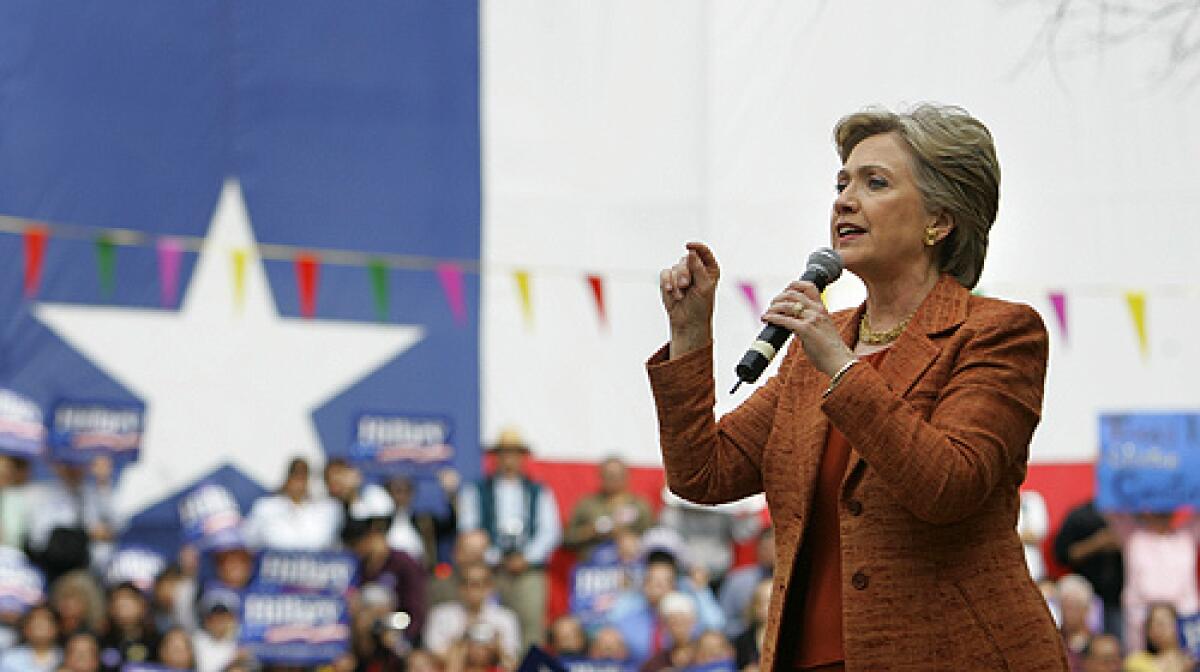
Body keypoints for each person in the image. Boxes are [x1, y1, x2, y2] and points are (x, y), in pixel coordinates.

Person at [649, 103, 1066, 670]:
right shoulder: (813, 349)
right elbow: (702, 472)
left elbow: (948, 485)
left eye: (875, 183)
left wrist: (843, 367)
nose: (844, 199)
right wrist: (690, 335)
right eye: (841, 182)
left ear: (938, 222)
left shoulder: (996, 332)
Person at [457, 427, 561, 651]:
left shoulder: (538, 491)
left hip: (528, 570)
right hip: (490, 569)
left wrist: (526, 557)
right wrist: (495, 556)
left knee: (531, 627)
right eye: (504, 453)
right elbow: (469, 529)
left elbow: (549, 531)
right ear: (496, 457)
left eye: (514, 454)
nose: (509, 459)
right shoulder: (477, 490)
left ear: (522, 457)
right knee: (488, 626)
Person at [1053, 498, 1124, 640]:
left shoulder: (1130, 515)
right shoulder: (1080, 516)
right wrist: (1097, 543)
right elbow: (1062, 554)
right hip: (1086, 597)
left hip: (1119, 600)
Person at [424, 562, 522, 662]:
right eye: (466, 583)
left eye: (477, 584)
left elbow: (511, 662)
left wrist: (496, 648)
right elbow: (434, 654)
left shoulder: (506, 618)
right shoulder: (441, 614)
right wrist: (464, 643)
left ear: (490, 587)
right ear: (459, 587)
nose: (472, 590)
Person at [563, 457, 654, 561]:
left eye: (618, 475)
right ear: (601, 476)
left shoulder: (640, 505)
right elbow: (567, 538)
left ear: (627, 476)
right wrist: (591, 531)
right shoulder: (587, 504)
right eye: (609, 475)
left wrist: (628, 537)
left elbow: (653, 536)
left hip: (631, 564)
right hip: (592, 567)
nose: (613, 479)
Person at [242, 457, 341, 551]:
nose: (298, 481)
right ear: (287, 478)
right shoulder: (266, 507)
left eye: (303, 476)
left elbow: (329, 543)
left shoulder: (326, 509)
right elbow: (250, 540)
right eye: (295, 475)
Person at [1124, 603, 1196, 672]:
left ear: (1180, 625)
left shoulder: (1193, 658)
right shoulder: (1136, 661)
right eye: (1154, 624)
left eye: (1163, 623)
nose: (1159, 629)